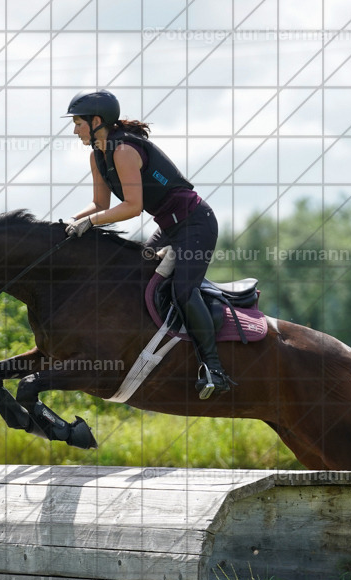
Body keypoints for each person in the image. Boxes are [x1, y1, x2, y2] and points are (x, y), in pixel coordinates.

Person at [62, 89, 234, 399]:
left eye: (78, 123)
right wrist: (69, 223)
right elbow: (99, 204)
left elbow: (132, 207)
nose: (75, 131)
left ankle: (214, 369)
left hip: (195, 224)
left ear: (96, 121)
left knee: (183, 290)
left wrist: (90, 222)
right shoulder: (97, 155)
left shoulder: (123, 151)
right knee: (136, 276)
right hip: (169, 226)